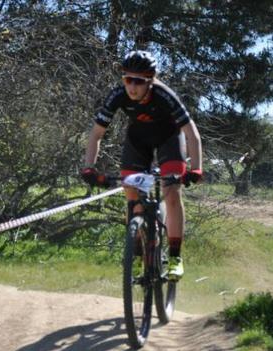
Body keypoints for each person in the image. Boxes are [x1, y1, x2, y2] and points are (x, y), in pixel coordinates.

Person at [80, 50, 203, 281]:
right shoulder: (118, 95)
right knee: (132, 197)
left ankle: (175, 257)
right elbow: (96, 134)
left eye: (139, 81)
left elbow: (192, 134)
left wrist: (196, 169)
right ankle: (136, 255)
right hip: (138, 141)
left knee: (172, 192)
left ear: (151, 81)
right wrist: (89, 167)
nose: (132, 87)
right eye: (128, 79)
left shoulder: (164, 95)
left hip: (169, 139)